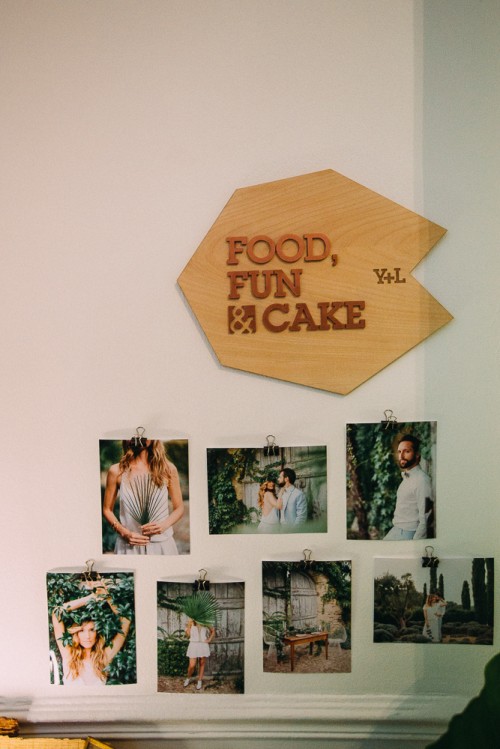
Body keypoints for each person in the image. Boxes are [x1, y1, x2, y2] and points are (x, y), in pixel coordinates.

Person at [103, 439, 184, 554]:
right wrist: (123, 532)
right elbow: (107, 509)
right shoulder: (116, 471)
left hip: (161, 545)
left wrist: (163, 525)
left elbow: (179, 507)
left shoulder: (167, 469)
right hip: (128, 545)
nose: (139, 438)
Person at [51, 583, 131, 686]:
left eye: (92, 630)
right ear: (76, 634)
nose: (87, 636)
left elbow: (126, 620)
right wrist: (91, 598)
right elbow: (57, 612)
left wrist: (107, 597)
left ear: (97, 633)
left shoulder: (104, 658)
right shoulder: (68, 655)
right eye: (82, 631)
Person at [384, 434, 433, 540]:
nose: (401, 456)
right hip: (396, 530)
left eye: (406, 451)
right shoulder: (407, 478)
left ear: (417, 455)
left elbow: (426, 516)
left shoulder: (422, 480)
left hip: (408, 534)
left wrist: (415, 543)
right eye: (399, 452)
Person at [183, 619, 215, 690]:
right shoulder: (191, 621)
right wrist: (189, 624)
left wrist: (209, 639)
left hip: (203, 644)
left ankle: (199, 681)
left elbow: (213, 631)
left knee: (202, 663)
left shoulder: (205, 621)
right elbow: (188, 635)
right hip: (193, 644)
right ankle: (188, 678)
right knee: (192, 665)